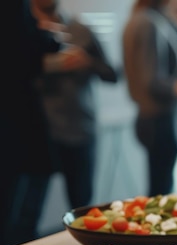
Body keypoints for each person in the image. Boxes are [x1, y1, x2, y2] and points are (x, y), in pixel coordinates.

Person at [32, 0, 118, 210]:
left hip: (79, 127)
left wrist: (87, 61)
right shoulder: (26, 32)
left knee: (82, 204)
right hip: (39, 131)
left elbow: (112, 73)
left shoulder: (80, 30)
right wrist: (48, 65)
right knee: (28, 208)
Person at [123, 0, 177, 196]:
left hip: (149, 117)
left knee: (159, 184)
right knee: (161, 191)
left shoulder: (139, 20)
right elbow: (153, 82)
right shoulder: (149, 23)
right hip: (159, 119)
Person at [0, 0, 60, 245]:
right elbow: (27, 53)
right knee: (16, 217)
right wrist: (45, 36)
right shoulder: (14, 12)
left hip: (18, 123)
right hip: (17, 124)